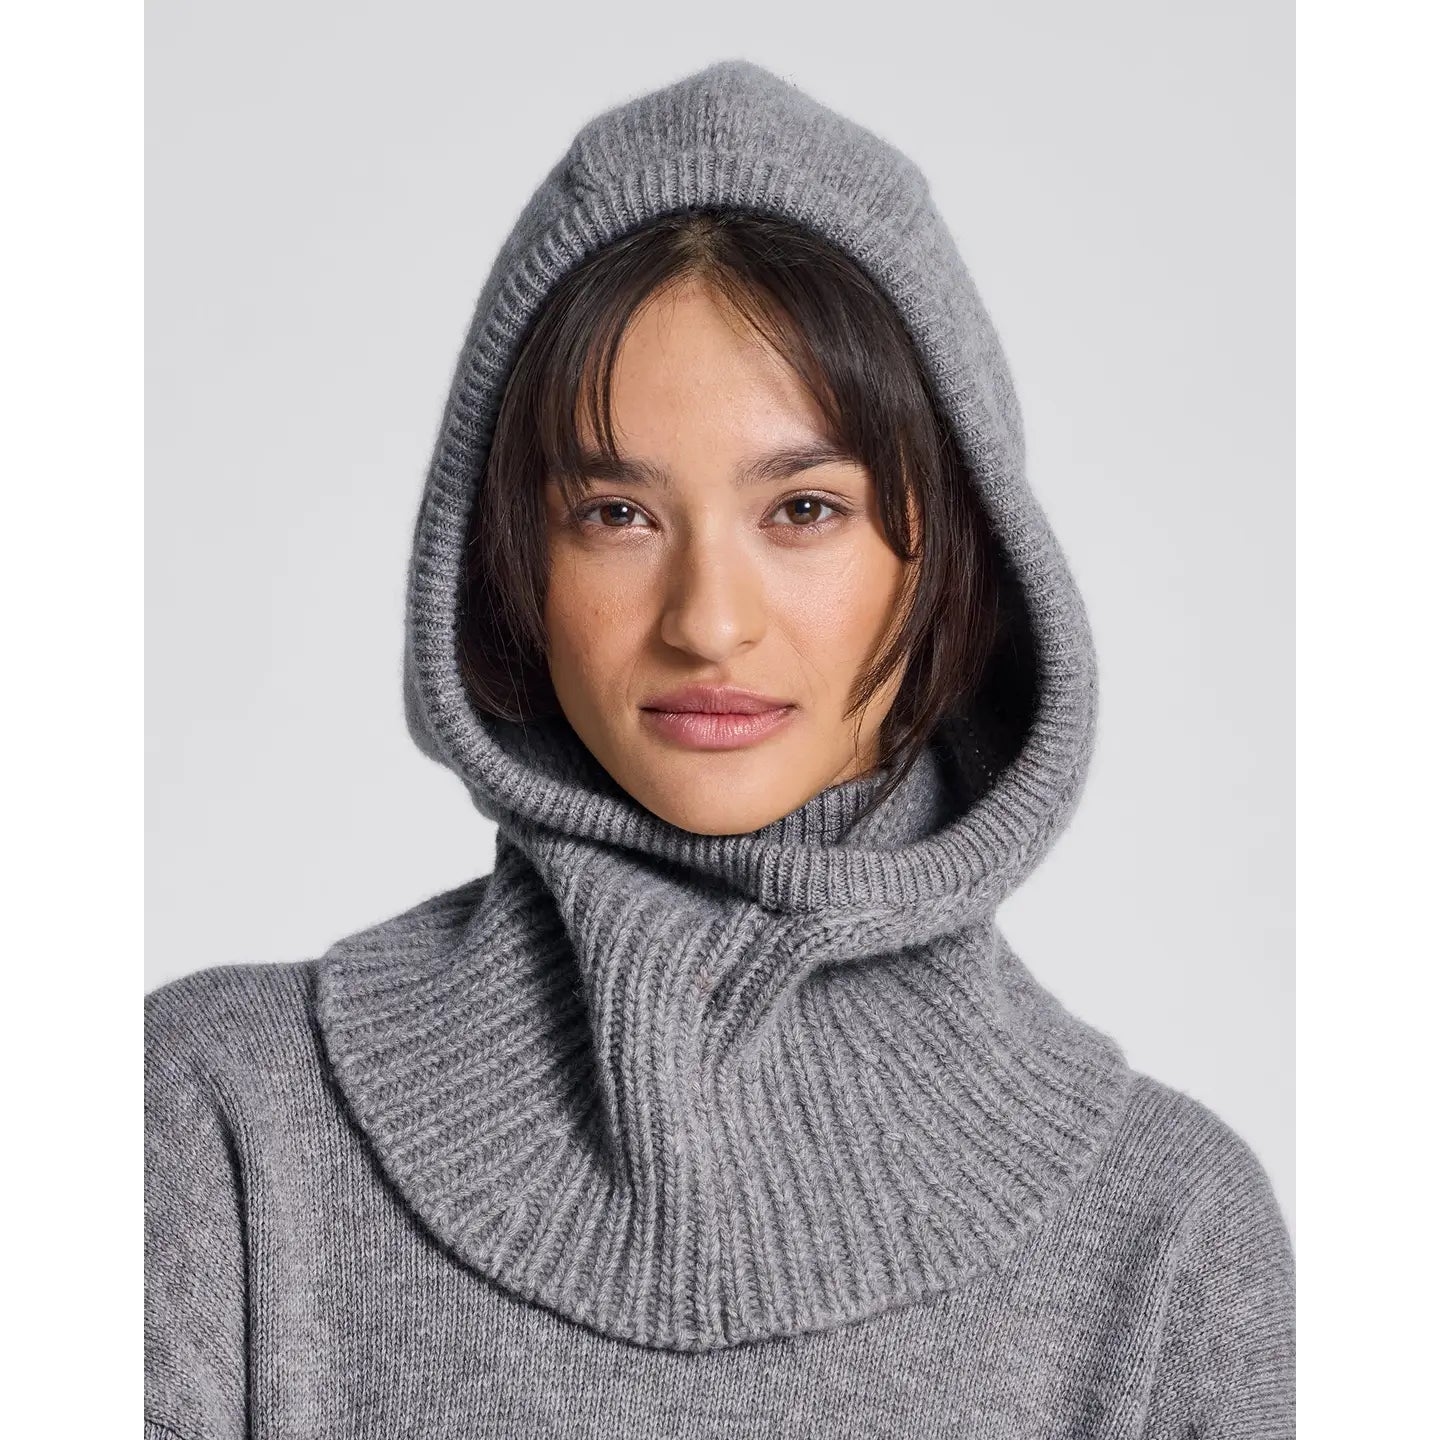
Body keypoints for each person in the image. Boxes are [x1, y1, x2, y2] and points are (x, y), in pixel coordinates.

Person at [145, 59, 1295, 1439]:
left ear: (952, 557)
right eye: (616, 514)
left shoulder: (1169, 1239)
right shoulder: (221, 1124)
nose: (707, 621)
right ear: (510, 565)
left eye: (804, 509)